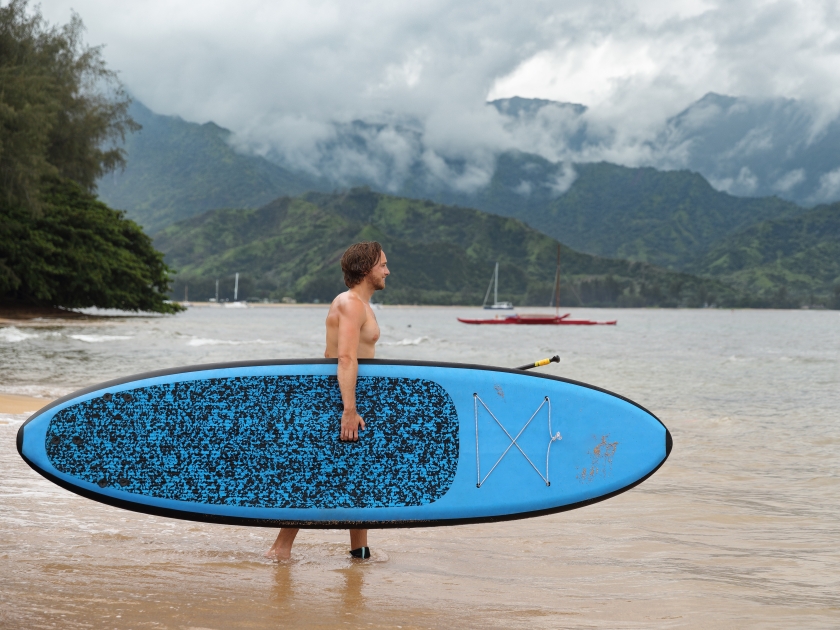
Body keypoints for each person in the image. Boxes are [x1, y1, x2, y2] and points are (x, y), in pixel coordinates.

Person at [265, 241, 390, 561]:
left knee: (356, 474)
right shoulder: (350, 304)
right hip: (336, 399)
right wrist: (348, 410)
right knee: (315, 474)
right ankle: (279, 551)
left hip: (347, 396)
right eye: (382, 265)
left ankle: (359, 553)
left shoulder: (361, 304)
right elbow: (346, 358)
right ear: (365, 270)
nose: (388, 271)